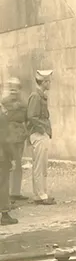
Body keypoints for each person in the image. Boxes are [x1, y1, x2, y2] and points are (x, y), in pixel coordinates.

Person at [26, 69, 56, 204]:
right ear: (43, 82)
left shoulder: (40, 95)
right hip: (38, 134)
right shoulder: (36, 96)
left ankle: (42, 193)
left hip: (41, 133)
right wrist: (42, 129)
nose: (50, 84)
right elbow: (31, 116)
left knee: (42, 165)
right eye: (48, 81)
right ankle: (40, 195)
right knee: (39, 165)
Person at [2, 78, 29, 202]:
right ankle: (9, 194)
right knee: (10, 164)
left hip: (20, 135)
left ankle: (16, 192)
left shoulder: (22, 102)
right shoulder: (5, 102)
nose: (13, 90)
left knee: (18, 164)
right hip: (10, 136)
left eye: (16, 87)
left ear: (19, 89)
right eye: (11, 87)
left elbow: (25, 117)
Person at [0, 96, 19, 225]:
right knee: (3, 184)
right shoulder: (2, 117)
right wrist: (12, 157)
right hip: (2, 156)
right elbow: (5, 139)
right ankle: (5, 213)